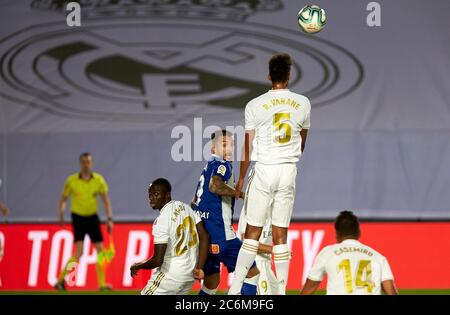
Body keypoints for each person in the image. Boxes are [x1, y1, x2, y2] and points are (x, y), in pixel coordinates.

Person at [229, 53, 311, 295]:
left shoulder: (254, 105)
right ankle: (282, 291)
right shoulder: (303, 103)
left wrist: (242, 178)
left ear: (268, 77)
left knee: (252, 232)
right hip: (288, 169)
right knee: (280, 234)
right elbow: (302, 143)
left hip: (264, 168)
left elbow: (248, 146)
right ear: (289, 75)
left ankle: (234, 288)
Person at [192, 130, 260, 295]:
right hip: (222, 236)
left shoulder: (208, 167)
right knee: (252, 273)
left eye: (231, 144)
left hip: (205, 237)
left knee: (211, 282)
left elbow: (194, 202)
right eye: (224, 144)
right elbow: (214, 186)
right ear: (213, 149)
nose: (228, 148)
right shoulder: (222, 165)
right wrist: (242, 194)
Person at [130, 178, 209, 295]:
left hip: (170, 277)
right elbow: (205, 236)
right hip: (189, 276)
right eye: (150, 195)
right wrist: (200, 267)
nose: (151, 198)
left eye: (156, 194)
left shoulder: (161, 220)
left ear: (167, 195)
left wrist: (138, 266)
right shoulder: (186, 208)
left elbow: (157, 260)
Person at [54, 152, 115, 291]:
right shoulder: (71, 180)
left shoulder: (98, 180)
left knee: (101, 251)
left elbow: (106, 200)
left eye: (88, 162)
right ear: (80, 163)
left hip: (93, 218)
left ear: (91, 163)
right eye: (83, 162)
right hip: (78, 218)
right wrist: (61, 212)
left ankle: (101, 284)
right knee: (79, 252)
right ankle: (60, 280)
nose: (86, 164)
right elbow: (63, 199)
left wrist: (109, 218)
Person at [300, 211, 398, 295]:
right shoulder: (378, 257)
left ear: (337, 234)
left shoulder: (327, 253)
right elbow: (391, 292)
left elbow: (310, 287)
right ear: (359, 232)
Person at [238, 208, 278, 295]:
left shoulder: (273, 207)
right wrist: (276, 250)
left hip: (267, 263)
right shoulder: (250, 208)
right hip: (255, 263)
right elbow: (246, 242)